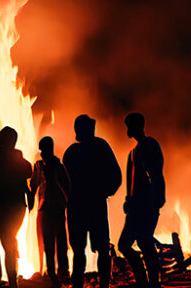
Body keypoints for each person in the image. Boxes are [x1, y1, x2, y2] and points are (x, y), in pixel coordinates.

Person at [63, 115, 122, 288]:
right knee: (98, 248)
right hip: (91, 205)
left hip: (79, 206)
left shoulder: (72, 152)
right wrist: (105, 192)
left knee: (87, 250)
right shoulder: (99, 147)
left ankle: (82, 285)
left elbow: (64, 183)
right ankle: (102, 284)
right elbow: (116, 175)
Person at [118, 113, 165, 288]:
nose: (128, 130)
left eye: (129, 125)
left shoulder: (149, 146)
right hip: (135, 207)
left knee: (144, 241)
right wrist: (128, 200)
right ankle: (145, 282)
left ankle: (152, 282)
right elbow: (133, 180)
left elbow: (155, 174)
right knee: (127, 244)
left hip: (145, 205)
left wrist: (156, 198)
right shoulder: (133, 152)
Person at [0, 127, 32, 288]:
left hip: (5, 206)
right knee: (5, 240)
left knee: (4, 240)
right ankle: (3, 277)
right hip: (13, 206)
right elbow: (26, 182)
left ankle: (7, 278)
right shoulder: (19, 162)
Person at [29, 136, 69, 286]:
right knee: (47, 242)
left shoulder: (58, 167)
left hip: (56, 208)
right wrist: (31, 200)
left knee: (59, 240)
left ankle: (62, 271)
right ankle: (50, 271)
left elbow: (66, 186)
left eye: (44, 149)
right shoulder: (40, 166)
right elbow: (34, 185)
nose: (42, 153)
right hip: (45, 208)